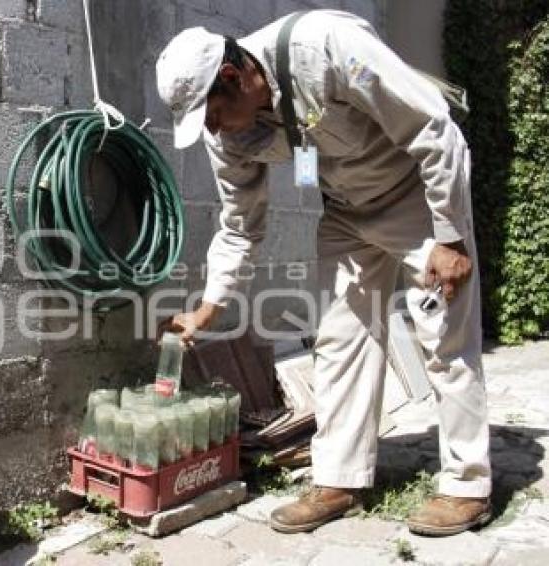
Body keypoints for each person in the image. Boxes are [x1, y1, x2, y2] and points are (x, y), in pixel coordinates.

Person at [155, 10, 491, 536]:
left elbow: (432, 126)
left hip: (414, 199)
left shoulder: (325, 47)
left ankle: (467, 485)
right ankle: (340, 479)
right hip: (346, 213)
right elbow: (241, 225)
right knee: (339, 342)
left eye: (213, 114)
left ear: (233, 77)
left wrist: (449, 235)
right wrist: (206, 309)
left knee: (444, 336)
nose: (212, 130)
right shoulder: (224, 135)